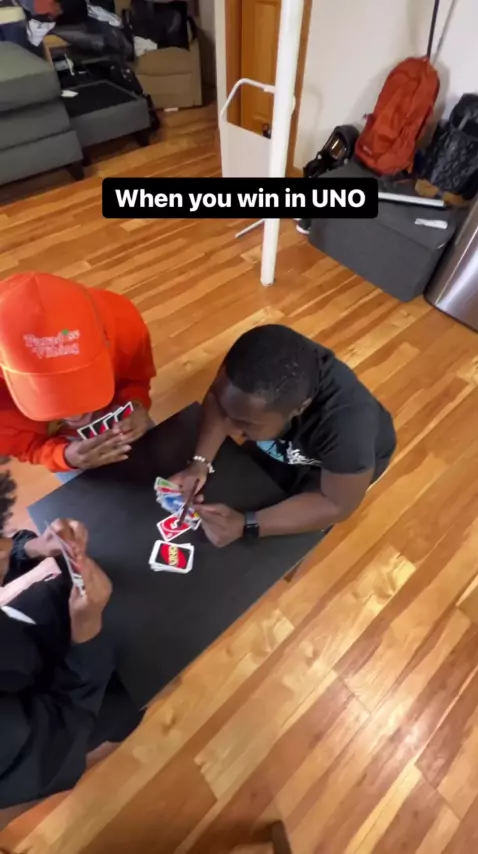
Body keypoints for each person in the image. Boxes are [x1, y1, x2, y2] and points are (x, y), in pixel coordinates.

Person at [0, 469, 143, 829]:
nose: (5, 546)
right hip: (49, 725)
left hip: (23, 646)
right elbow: (64, 729)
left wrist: (31, 549)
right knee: (132, 699)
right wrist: (87, 626)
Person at [172, 325, 396, 547]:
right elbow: (217, 399)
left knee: (283, 543)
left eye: (244, 423)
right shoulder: (260, 365)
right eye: (226, 411)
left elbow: (336, 504)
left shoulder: (348, 431)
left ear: (300, 408)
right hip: (287, 439)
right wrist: (200, 463)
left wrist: (247, 525)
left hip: (335, 471)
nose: (229, 428)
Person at [0, 272, 156, 476]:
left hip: (124, 418)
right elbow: (25, 445)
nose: (77, 415)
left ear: (106, 338)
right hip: (66, 448)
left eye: (81, 380)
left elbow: (136, 377)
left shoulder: (122, 321)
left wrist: (136, 402)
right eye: (51, 392)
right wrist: (63, 457)